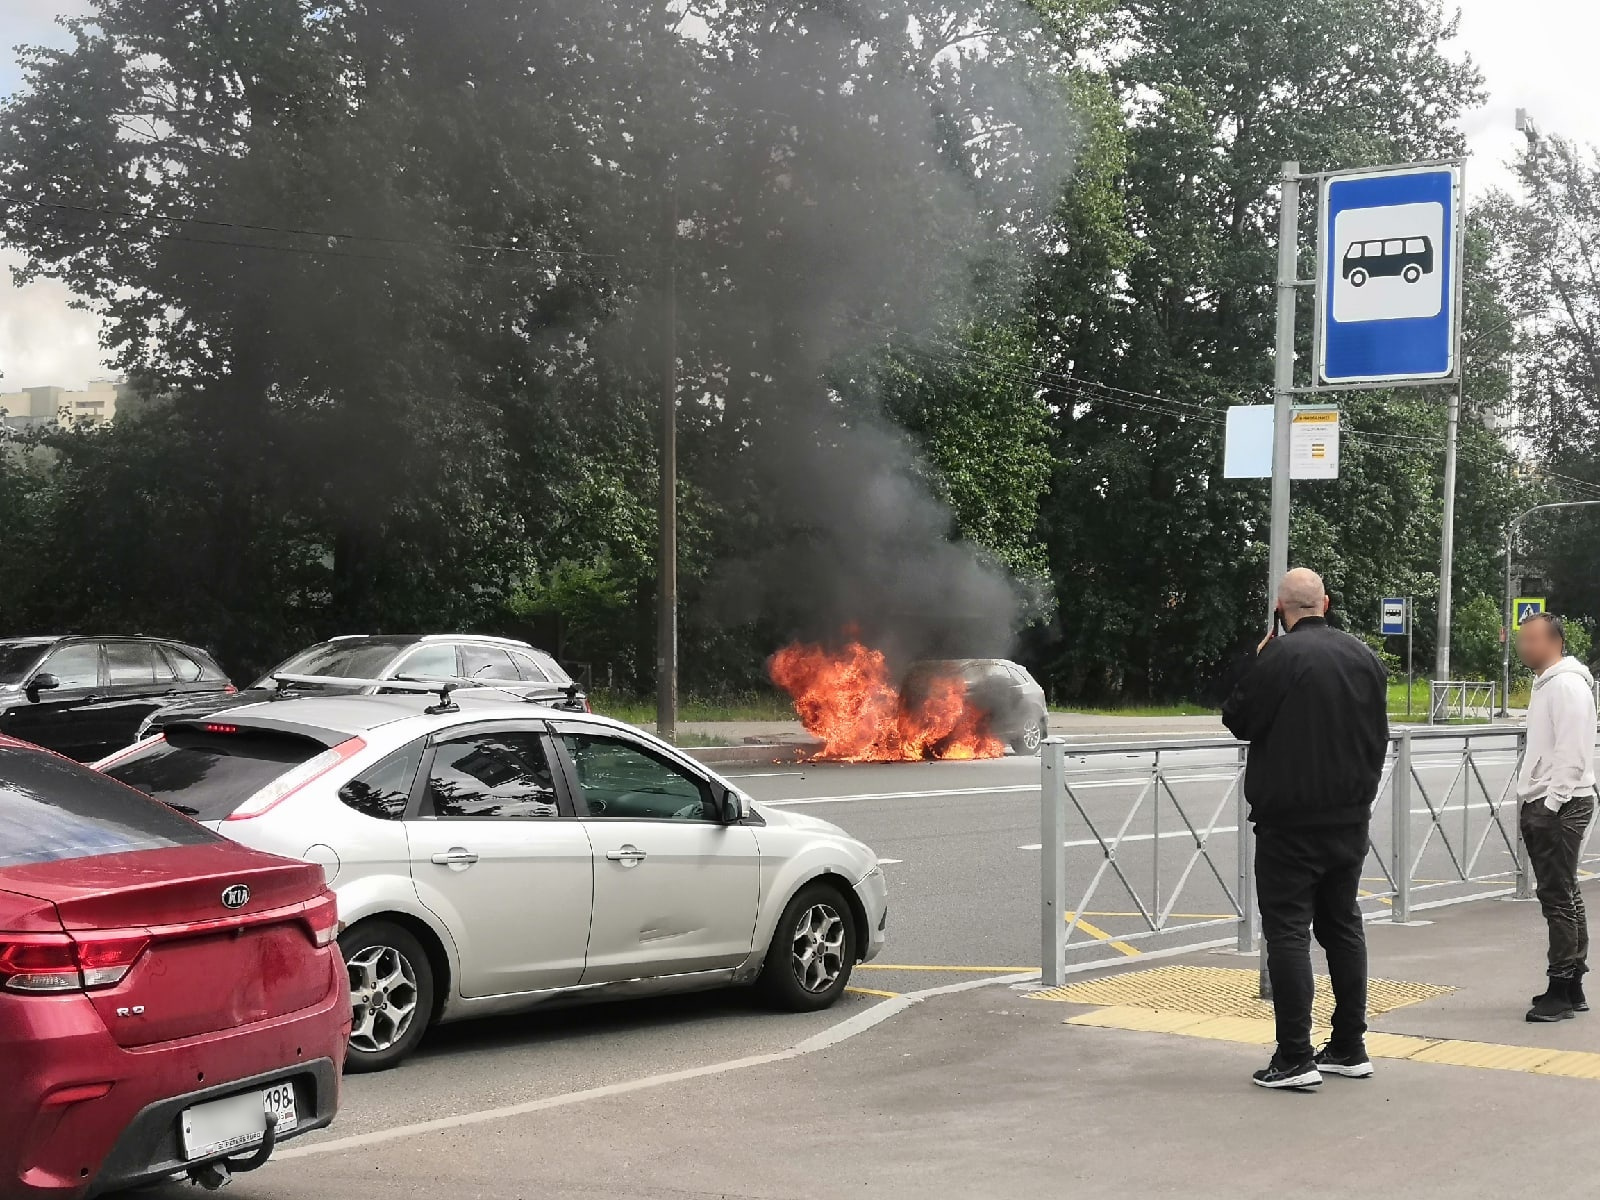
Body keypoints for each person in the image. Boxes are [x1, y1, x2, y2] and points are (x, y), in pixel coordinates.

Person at [1221, 568, 1390, 1089]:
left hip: (1289, 822)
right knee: (1342, 925)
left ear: (1280, 608)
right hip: (1349, 817)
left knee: (1289, 932)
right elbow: (1378, 735)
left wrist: (1260, 656)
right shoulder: (1364, 657)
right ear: (1326, 603)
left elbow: (1238, 719)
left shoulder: (1280, 657)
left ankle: (1295, 1057)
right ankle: (1349, 1046)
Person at [1515, 612, 1597, 1023]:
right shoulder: (1550, 681)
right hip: (1555, 799)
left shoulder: (1565, 684)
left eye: (1531, 639)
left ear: (1554, 641)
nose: (1523, 646)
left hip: (1560, 803)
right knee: (1565, 893)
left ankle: (1561, 988)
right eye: (1521, 639)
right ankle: (1573, 984)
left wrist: (1551, 804)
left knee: (1557, 899)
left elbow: (1572, 752)